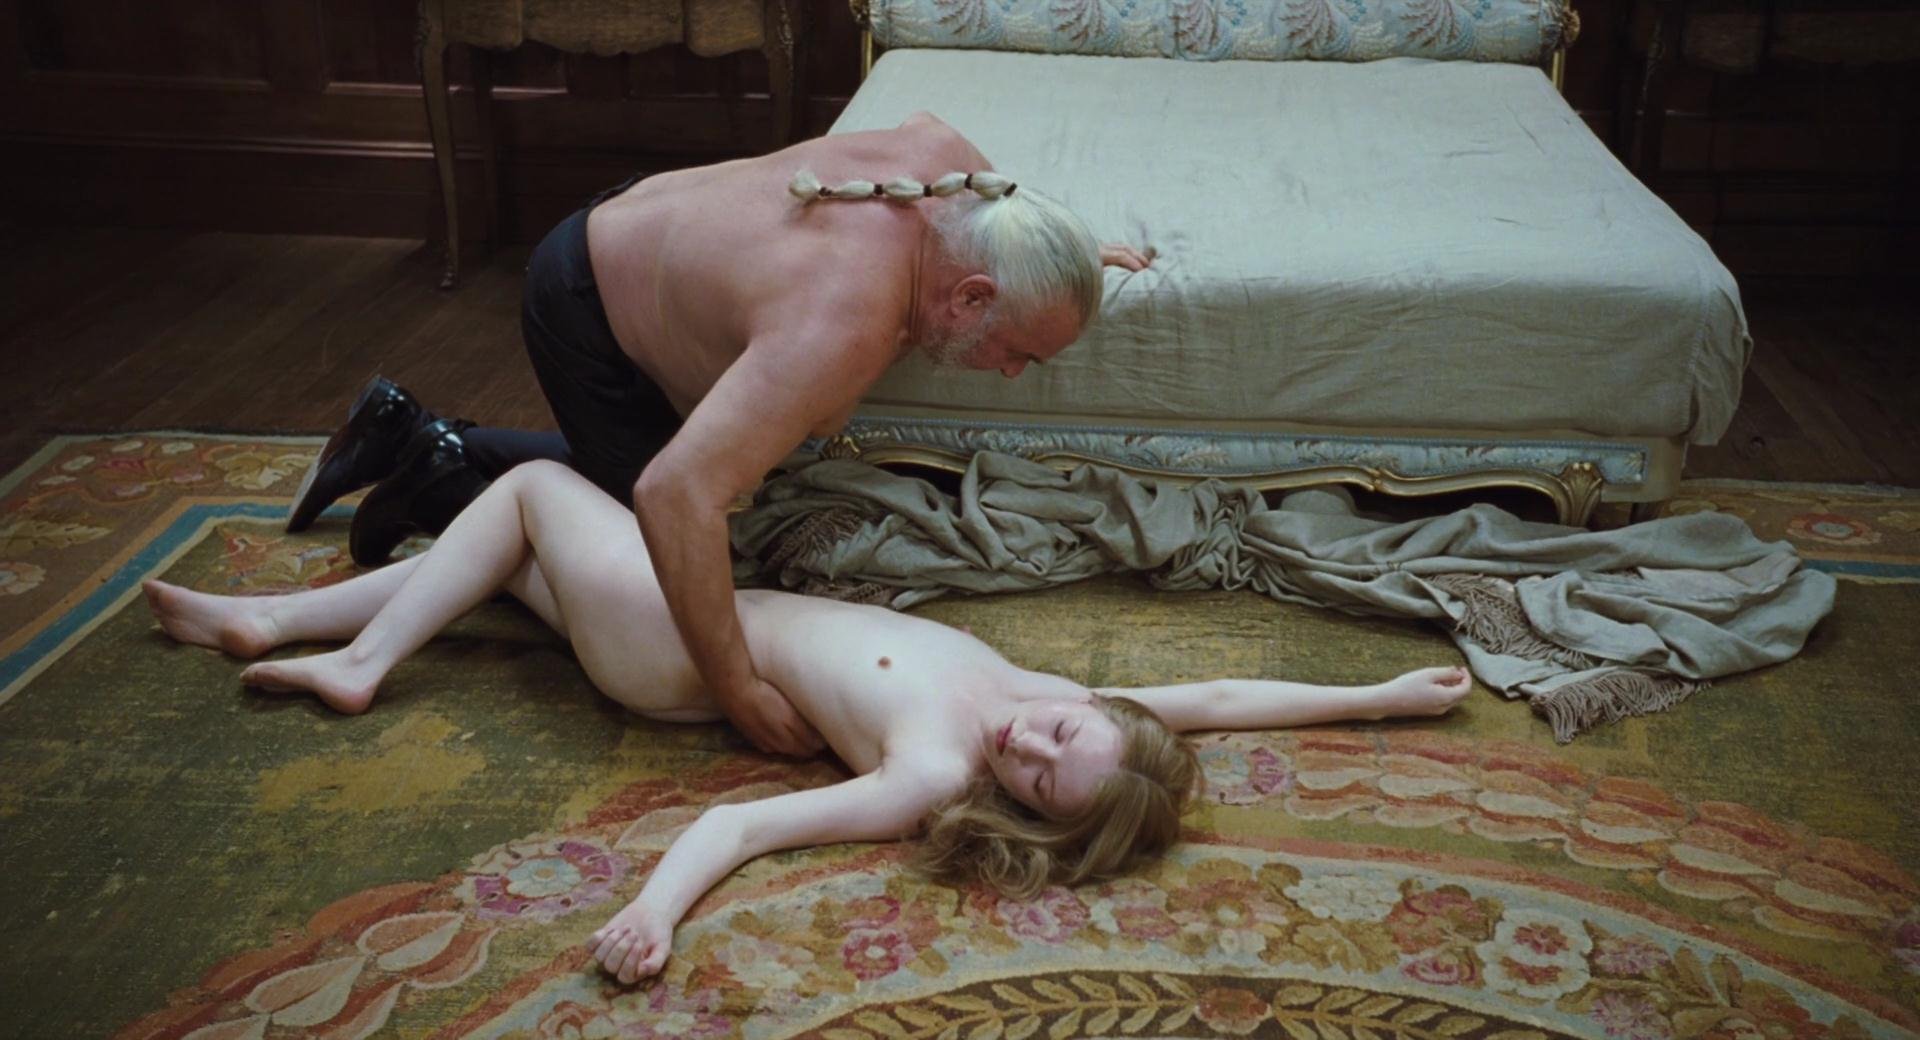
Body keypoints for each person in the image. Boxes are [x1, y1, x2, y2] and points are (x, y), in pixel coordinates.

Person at [148, 461, 1473, 985]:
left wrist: (655, 911)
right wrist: (1374, 698)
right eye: (1060, 741)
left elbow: (741, 826)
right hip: (685, 617)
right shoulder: (1047, 690)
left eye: (1035, 785)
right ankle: (270, 623)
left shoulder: (931, 769)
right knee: (505, 556)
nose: (1027, 749)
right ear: (1095, 713)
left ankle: (361, 660)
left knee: (537, 484)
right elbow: (1223, 703)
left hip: (668, 641)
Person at [284, 111, 1153, 762]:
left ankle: (411, 438)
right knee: (646, 565)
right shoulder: (839, 323)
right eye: (1018, 351)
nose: (1011, 372)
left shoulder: (957, 176)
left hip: (637, 222)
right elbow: (676, 494)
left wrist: (1067, 262)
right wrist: (737, 687)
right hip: (583, 302)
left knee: (695, 503)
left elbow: (1013, 210)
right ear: (970, 296)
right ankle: (437, 467)